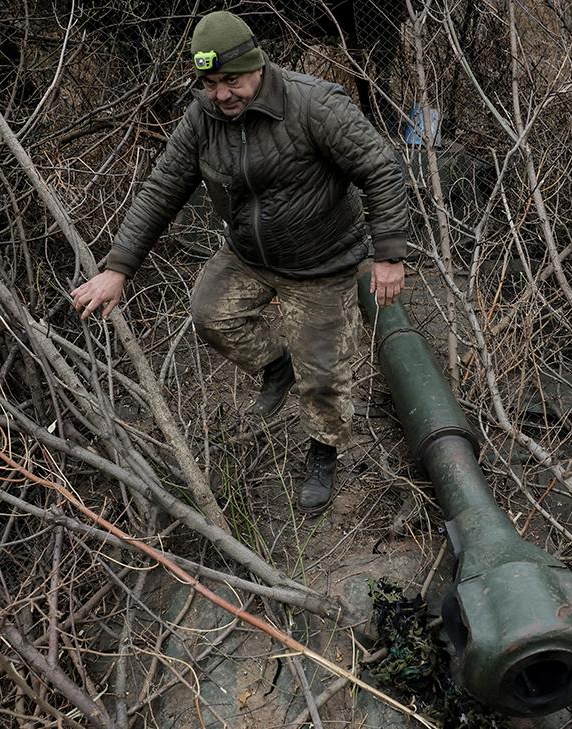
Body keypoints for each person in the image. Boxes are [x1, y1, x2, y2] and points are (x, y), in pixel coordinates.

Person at [70, 10, 408, 514]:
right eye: (209, 83)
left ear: (257, 67)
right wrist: (119, 267)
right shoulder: (203, 118)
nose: (221, 95)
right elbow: (163, 187)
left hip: (320, 262)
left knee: (324, 378)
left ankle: (323, 451)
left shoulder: (314, 105)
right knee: (211, 314)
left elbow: (382, 171)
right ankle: (277, 366)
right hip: (250, 254)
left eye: (231, 80)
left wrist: (389, 255)